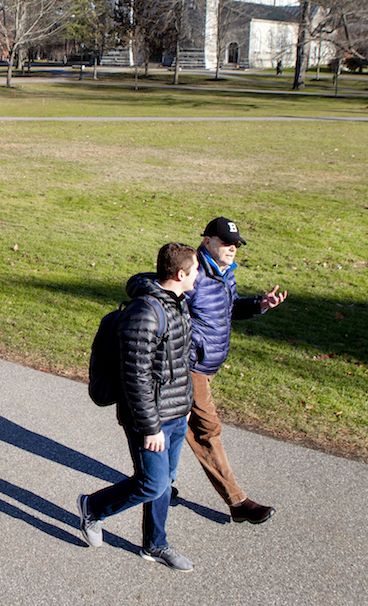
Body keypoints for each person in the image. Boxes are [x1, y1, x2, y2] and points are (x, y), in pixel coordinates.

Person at [157, 216, 285, 524]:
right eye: (226, 243)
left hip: (208, 364)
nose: (232, 249)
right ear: (207, 241)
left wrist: (260, 305)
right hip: (190, 366)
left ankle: (162, 483)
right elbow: (161, 294)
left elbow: (226, 309)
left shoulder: (225, 274)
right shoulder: (193, 273)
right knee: (207, 429)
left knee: (178, 426)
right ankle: (237, 501)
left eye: (236, 244)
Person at [78, 242, 198, 572]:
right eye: (196, 270)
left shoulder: (176, 302)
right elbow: (135, 377)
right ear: (180, 273)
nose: (198, 276)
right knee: (152, 483)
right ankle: (92, 508)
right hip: (149, 420)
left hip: (175, 413)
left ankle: (154, 545)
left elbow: (178, 361)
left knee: (164, 481)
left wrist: (186, 406)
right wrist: (150, 427)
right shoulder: (144, 314)